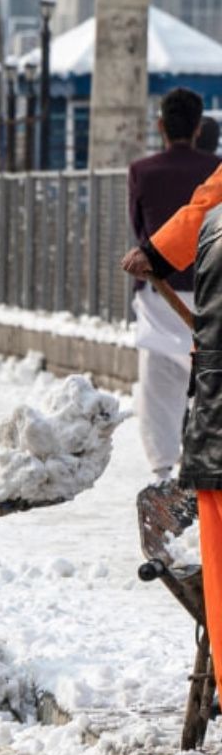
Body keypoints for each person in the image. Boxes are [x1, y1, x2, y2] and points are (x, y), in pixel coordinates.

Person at [126, 89, 214, 481]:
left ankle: (163, 472)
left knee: (160, 382)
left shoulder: (142, 171)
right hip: (212, 291)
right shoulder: (217, 170)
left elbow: (140, 229)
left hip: (161, 291)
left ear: (160, 126)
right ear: (199, 128)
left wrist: (154, 255)